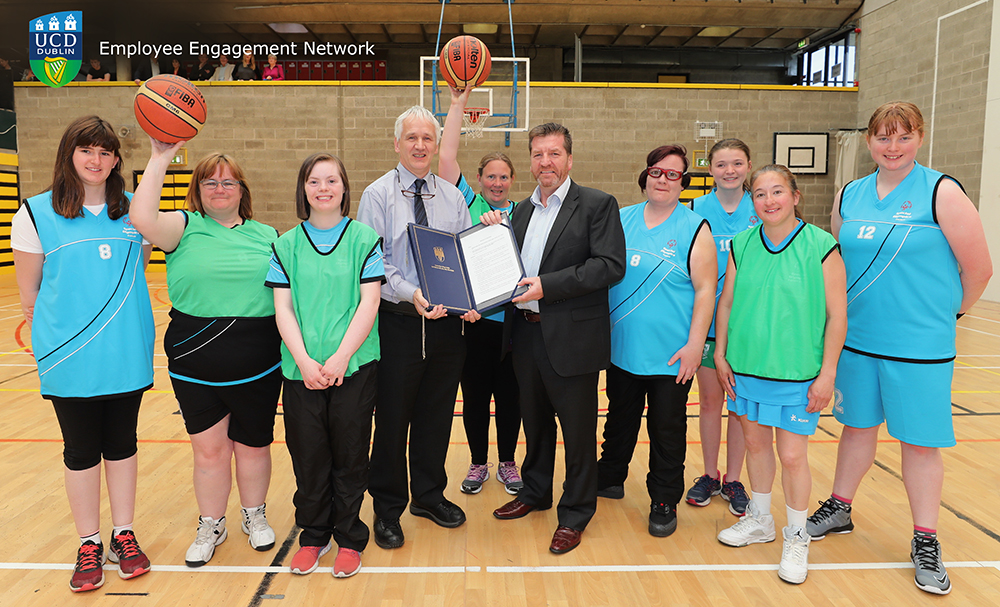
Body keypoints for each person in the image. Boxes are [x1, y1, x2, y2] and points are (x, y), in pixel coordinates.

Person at [806, 101, 992, 595]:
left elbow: (978, 270)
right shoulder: (849, 194)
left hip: (919, 346)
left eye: (903, 137)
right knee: (856, 429)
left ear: (920, 138)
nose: (893, 147)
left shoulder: (941, 192)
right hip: (859, 341)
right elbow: (839, 263)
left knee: (920, 443)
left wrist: (946, 316)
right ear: (868, 141)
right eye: (884, 138)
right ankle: (840, 508)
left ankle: (925, 539)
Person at [12, 115, 154, 592]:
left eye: (105, 152)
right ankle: (89, 541)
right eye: (86, 150)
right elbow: (29, 298)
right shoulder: (33, 213)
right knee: (80, 452)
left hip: (125, 353)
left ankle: (124, 534)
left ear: (116, 159)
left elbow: (141, 268)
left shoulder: (137, 210)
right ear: (68, 154)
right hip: (70, 359)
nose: (96, 160)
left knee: (123, 445)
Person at [130, 144, 282, 567]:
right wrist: (161, 156)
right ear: (197, 189)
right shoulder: (182, 226)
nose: (219, 188)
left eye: (227, 181)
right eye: (209, 181)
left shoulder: (266, 234)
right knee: (209, 451)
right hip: (195, 357)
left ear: (241, 189)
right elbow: (141, 218)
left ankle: (255, 515)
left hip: (260, 357)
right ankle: (212, 523)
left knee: (253, 445)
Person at [487, 122, 626, 554]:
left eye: (554, 154)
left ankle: (576, 513)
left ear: (569, 158)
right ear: (530, 160)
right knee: (535, 422)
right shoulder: (521, 212)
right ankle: (534, 492)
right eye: (538, 155)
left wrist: (548, 285)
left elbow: (609, 266)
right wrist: (492, 235)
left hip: (572, 338)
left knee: (578, 432)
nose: (545, 162)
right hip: (525, 336)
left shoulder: (598, 205)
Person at [713, 164, 847, 585]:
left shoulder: (822, 245)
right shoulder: (741, 243)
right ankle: (760, 519)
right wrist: (719, 353)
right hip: (747, 368)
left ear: (795, 195)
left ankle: (796, 533)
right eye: (760, 194)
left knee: (792, 456)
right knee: (755, 447)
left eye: (777, 192)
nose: (769, 201)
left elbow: (837, 315)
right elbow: (727, 301)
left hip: (797, 374)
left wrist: (827, 374)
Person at [356, 106, 481, 551]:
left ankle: (428, 496)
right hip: (398, 323)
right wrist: (411, 293)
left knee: (435, 417)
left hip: (447, 327)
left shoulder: (452, 196)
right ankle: (387, 509)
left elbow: (466, 258)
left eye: (428, 138)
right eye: (412, 137)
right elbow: (374, 263)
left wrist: (473, 299)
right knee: (391, 420)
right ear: (397, 143)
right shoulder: (376, 195)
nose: (421, 145)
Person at [268, 153, 384, 578]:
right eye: (314, 181)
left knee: (351, 456)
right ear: (303, 189)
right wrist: (304, 360)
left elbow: (369, 302)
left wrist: (339, 358)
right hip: (301, 371)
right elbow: (283, 309)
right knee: (309, 457)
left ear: (343, 187)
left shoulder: (364, 239)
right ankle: (314, 535)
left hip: (353, 367)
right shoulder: (285, 244)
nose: (323, 188)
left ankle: (350, 537)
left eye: (331, 180)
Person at [594, 145, 716, 536]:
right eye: (657, 172)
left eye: (673, 174)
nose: (663, 180)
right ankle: (610, 476)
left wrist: (695, 345)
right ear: (646, 175)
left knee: (667, 430)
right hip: (622, 348)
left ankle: (664, 499)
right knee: (619, 419)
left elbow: (705, 288)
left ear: (683, 182)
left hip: (671, 355)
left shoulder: (694, 227)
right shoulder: (620, 218)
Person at [438, 85, 523, 495]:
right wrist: (458, 103)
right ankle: (477, 464)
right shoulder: (467, 203)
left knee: (510, 398)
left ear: (512, 181)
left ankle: (508, 462)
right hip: (474, 322)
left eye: (504, 176)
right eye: (490, 175)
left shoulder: (526, 214)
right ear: (478, 180)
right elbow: (446, 157)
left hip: (513, 323)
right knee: (474, 399)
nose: (497, 182)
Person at [686, 138, 757, 515]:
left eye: (737, 163)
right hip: (709, 325)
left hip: (747, 327)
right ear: (709, 168)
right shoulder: (695, 210)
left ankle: (733, 478)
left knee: (739, 406)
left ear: (748, 166)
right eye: (722, 164)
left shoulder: (761, 207)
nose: (730, 170)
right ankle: (710, 474)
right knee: (711, 401)